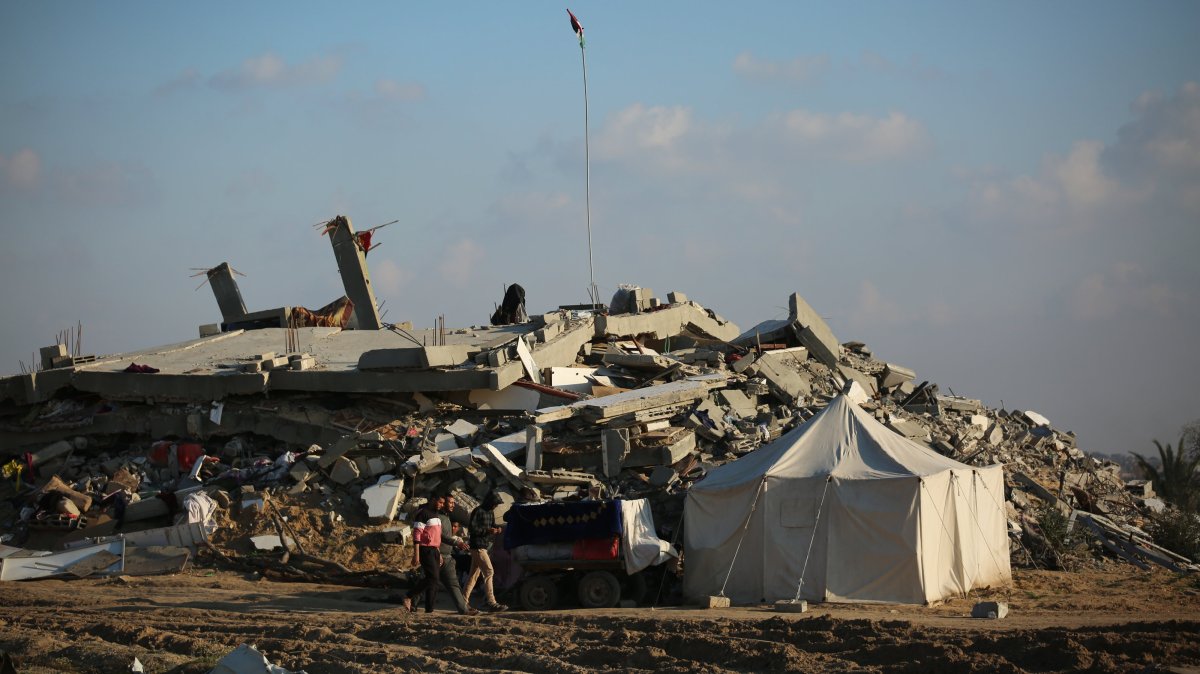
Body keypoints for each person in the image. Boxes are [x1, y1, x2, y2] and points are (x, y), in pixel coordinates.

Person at [463, 491, 507, 612]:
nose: (495, 506)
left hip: (484, 546)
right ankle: (491, 602)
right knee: (489, 571)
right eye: (494, 504)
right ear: (489, 502)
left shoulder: (491, 512)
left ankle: (463, 603)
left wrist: (497, 529)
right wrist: (488, 531)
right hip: (477, 546)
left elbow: (493, 524)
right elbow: (472, 529)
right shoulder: (478, 511)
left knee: (473, 576)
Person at [437, 493, 479, 616]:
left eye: (453, 503)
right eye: (450, 502)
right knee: (427, 582)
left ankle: (463, 608)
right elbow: (439, 537)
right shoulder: (437, 518)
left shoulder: (447, 517)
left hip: (447, 557)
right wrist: (456, 542)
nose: (453, 505)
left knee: (453, 584)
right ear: (443, 503)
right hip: (436, 555)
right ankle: (410, 601)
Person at [404, 496, 444, 613]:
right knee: (433, 577)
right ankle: (409, 596)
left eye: (443, 503)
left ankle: (429, 609)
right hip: (425, 550)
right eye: (439, 502)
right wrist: (416, 554)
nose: (441, 505)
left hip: (435, 550)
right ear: (432, 500)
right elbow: (417, 535)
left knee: (434, 582)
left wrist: (439, 553)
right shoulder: (423, 513)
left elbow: (436, 536)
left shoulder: (436, 516)